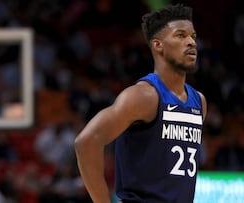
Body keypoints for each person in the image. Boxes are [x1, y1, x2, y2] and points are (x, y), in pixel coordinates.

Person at [74, 4, 207, 203]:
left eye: (193, 36)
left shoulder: (199, 101)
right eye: (181, 35)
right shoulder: (143, 96)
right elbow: (86, 142)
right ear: (158, 45)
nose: (191, 42)